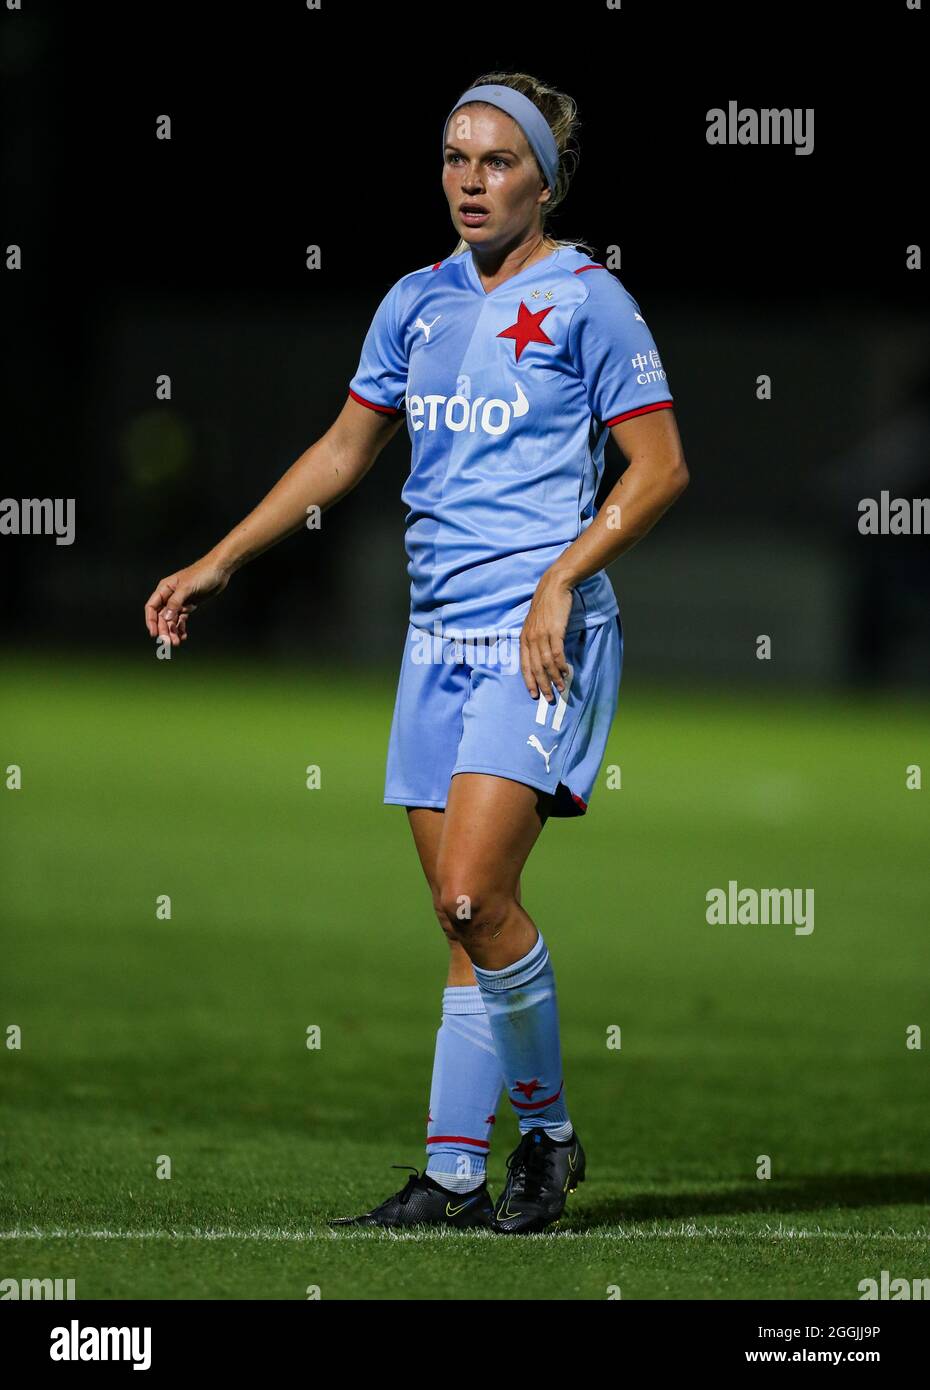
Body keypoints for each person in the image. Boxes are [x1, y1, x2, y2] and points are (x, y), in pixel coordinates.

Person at [143, 71, 688, 1236]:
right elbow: (345, 451)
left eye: (496, 162)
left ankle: (544, 1138)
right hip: (434, 642)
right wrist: (221, 560)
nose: (470, 181)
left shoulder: (590, 299)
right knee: (464, 923)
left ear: (547, 177)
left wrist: (562, 575)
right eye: (454, 158)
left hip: (541, 639)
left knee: (472, 892)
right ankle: (451, 1173)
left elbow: (661, 469)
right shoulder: (415, 302)